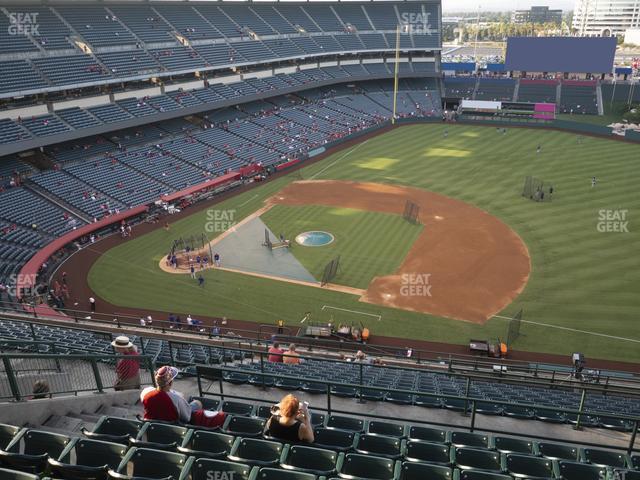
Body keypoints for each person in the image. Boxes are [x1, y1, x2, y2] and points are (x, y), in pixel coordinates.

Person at [141, 366, 226, 428]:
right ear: (170, 383)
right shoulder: (176, 398)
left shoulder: (145, 392)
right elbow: (187, 417)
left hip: (152, 425)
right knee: (197, 403)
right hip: (173, 426)